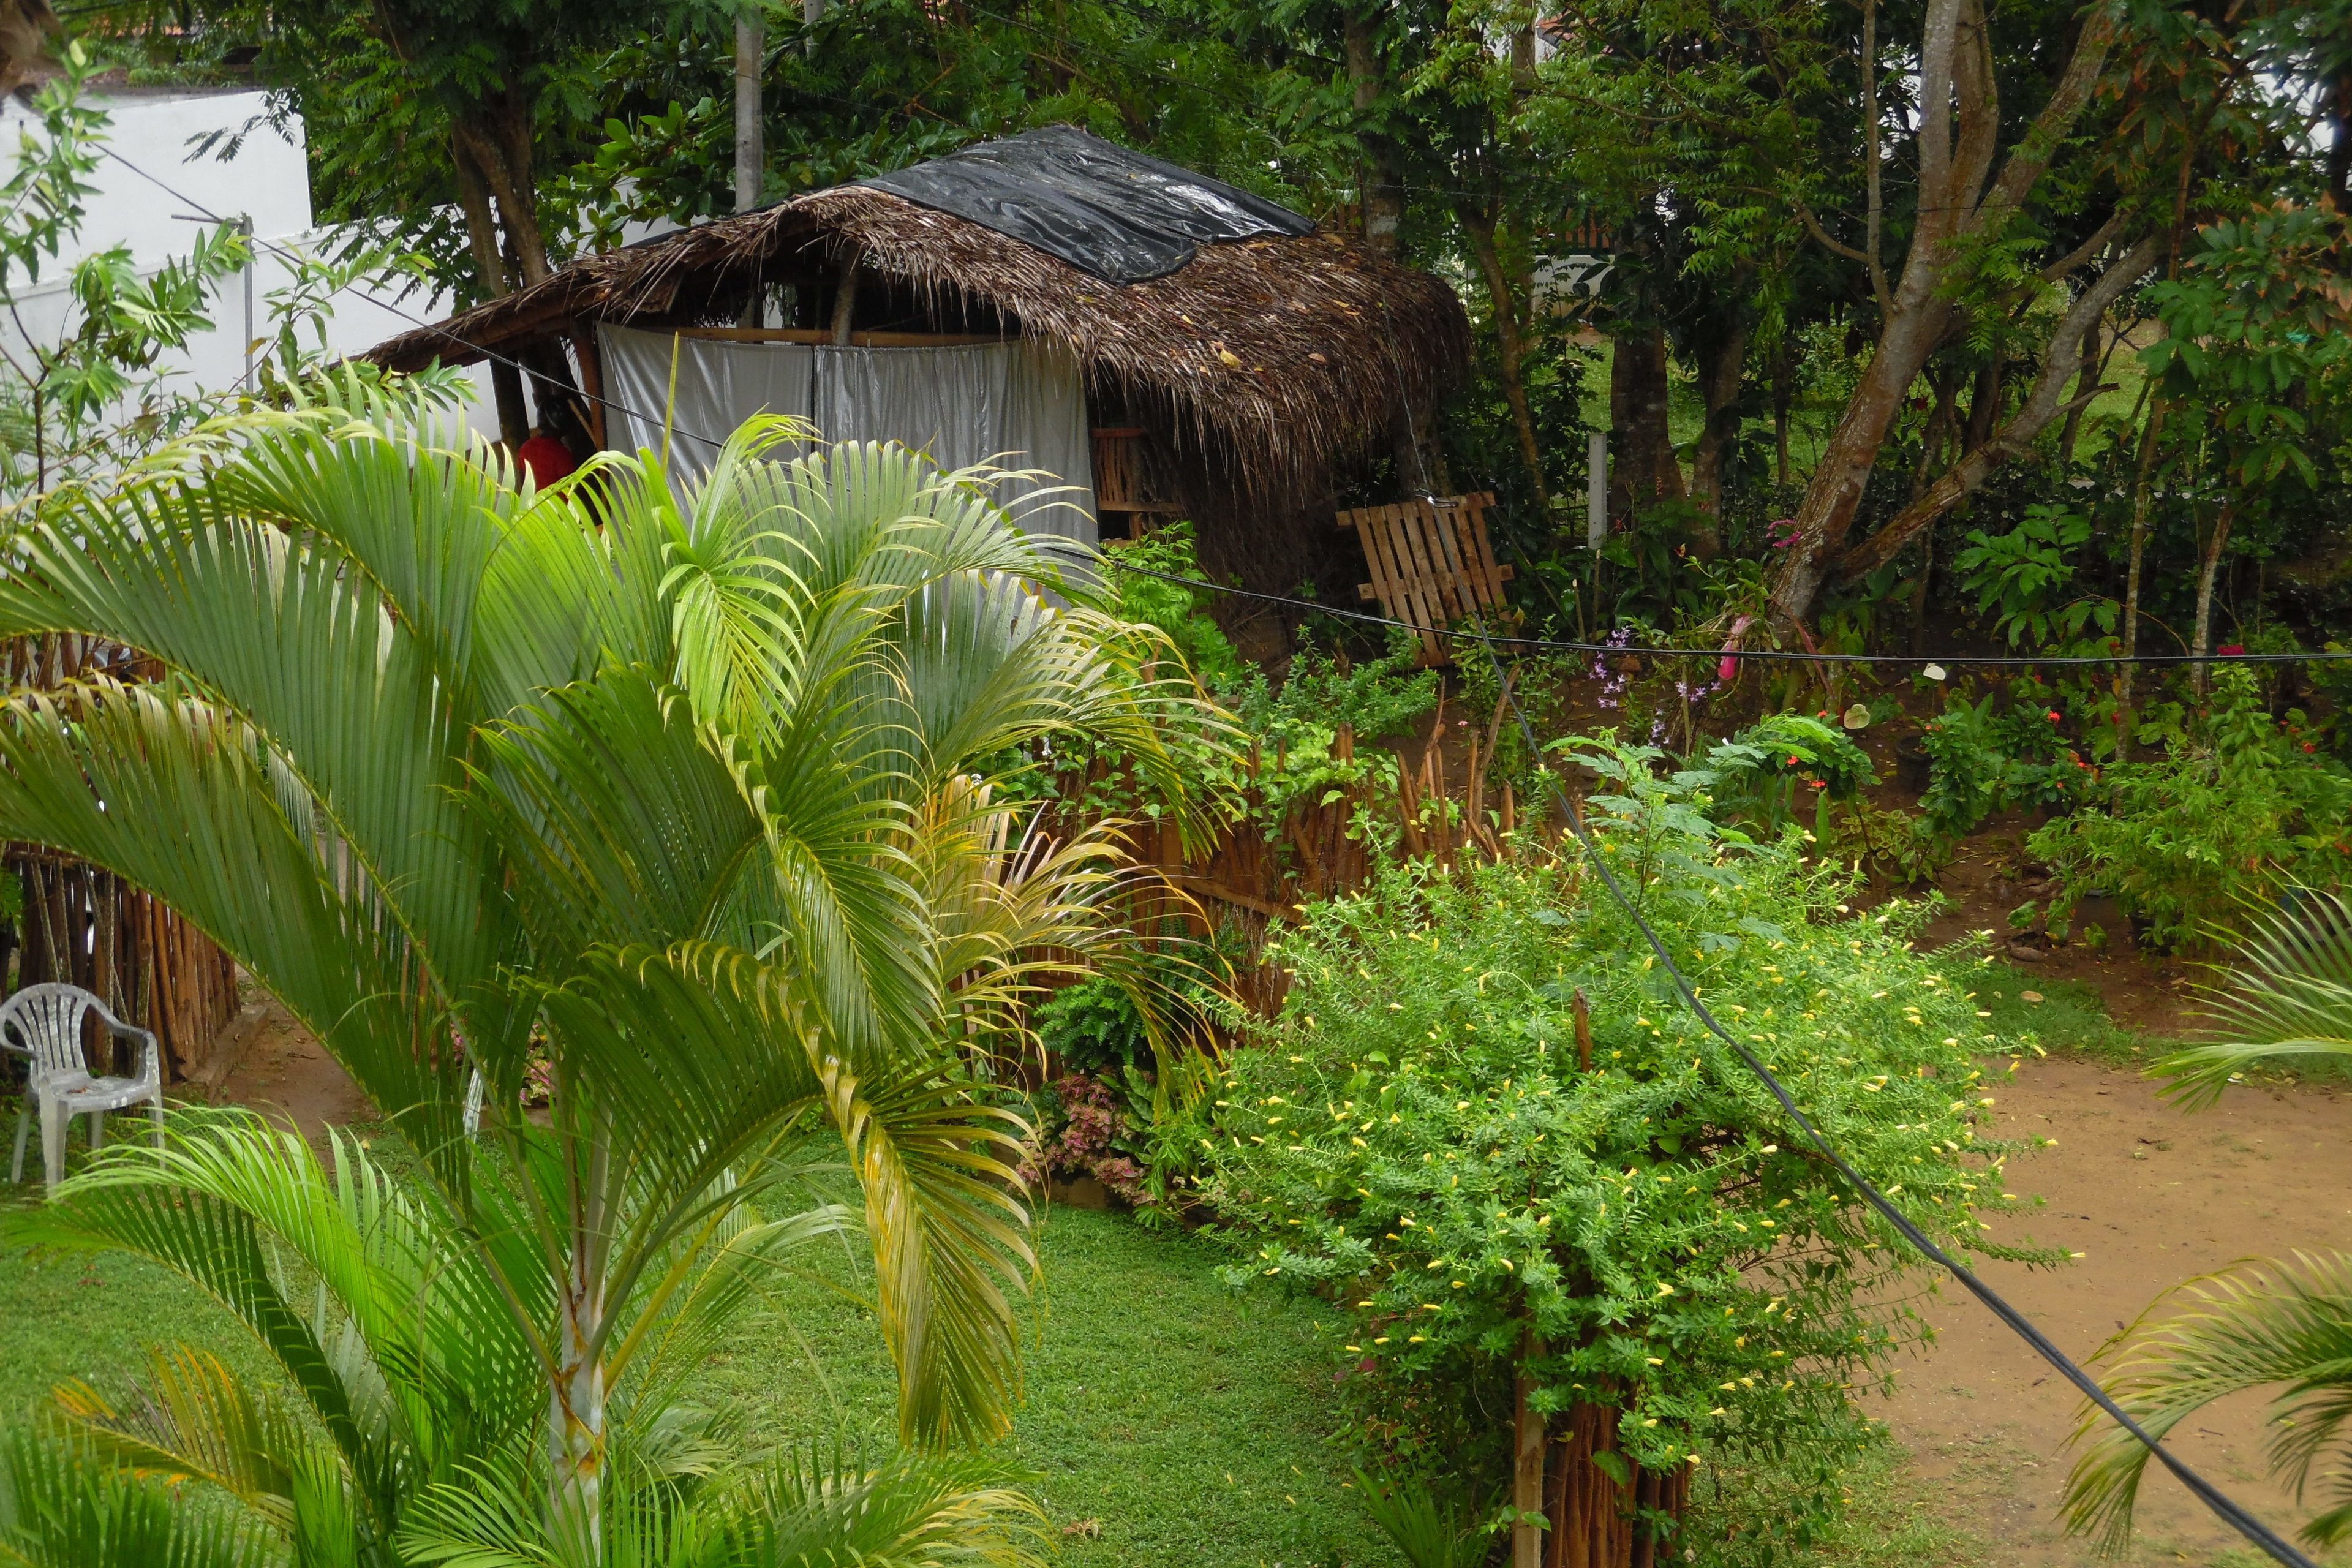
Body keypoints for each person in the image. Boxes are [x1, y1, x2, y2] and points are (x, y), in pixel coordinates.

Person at [516, 423, 578, 487]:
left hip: (534, 496)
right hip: (557, 496)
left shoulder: (525, 447)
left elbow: (521, 476)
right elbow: (572, 482)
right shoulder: (561, 453)